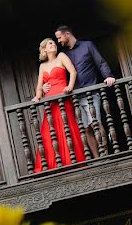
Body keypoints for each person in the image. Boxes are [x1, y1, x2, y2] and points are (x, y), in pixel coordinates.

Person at [52, 25, 115, 158]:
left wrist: (108, 76)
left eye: (59, 37)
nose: (59, 41)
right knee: (86, 129)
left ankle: (106, 155)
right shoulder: (63, 55)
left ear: (67, 34)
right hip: (75, 97)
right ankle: (97, 158)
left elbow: (101, 63)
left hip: (91, 93)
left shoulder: (88, 45)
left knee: (96, 124)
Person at [32, 38, 87, 171]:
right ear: (44, 49)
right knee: (50, 131)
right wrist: (38, 95)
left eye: (54, 43)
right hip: (50, 102)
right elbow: (39, 87)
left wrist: (69, 86)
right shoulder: (42, 66)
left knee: (66, 127)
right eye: (50, 43)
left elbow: (73, 72)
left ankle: (72, 160)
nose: (54, 45)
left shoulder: (61, 56)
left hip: (63, 97)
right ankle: (53, 165)